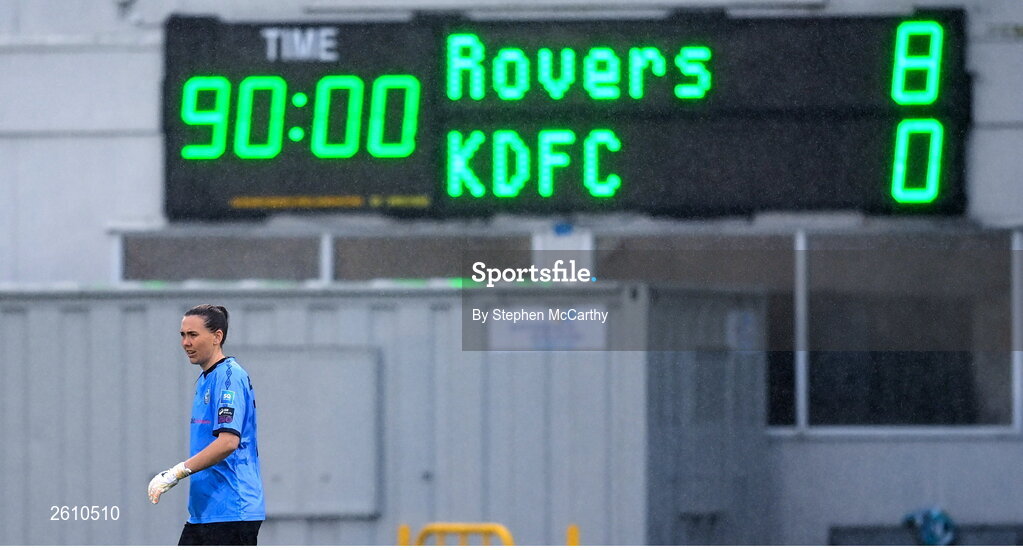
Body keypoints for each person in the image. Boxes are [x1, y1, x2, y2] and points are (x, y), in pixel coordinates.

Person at [148, 304, 265, 545]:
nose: (185, 343)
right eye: (182, 335)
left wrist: (176, 472)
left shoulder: (229, 376)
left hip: (232, 511)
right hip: (206, 514)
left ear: (217, 337)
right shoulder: (206, 378)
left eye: (193, 335)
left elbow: (228, 442)